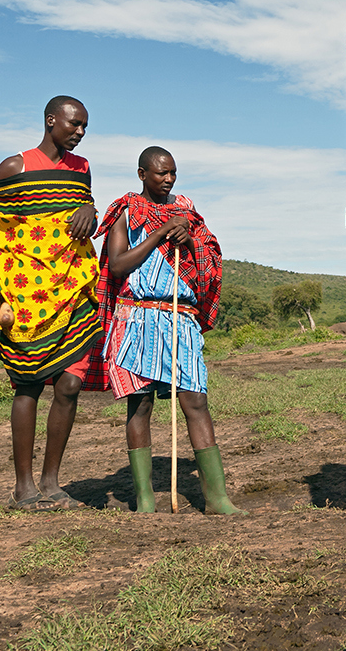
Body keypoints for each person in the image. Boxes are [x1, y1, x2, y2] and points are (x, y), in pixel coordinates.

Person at [95, 147, 243, 515]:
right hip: (139, 317)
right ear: (142, 174)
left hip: (179, 317)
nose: (168, 179)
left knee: (195, 401)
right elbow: (117, 265)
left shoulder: (188, 214)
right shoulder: (126, 213)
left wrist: (189, 240)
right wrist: (161, 233)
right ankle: (145, 499)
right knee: (140, 403)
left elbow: (210, 260)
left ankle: (216, 497)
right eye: (161, 172)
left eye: (173, 172)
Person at [0, 96, 102, 510]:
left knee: (70, 383)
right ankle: (23, 487)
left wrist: (91, 210)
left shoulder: (81, 169)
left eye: (85, 126)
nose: (80, 132)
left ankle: (52, 482)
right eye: (74, 124)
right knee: (27, 388)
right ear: (51, 121)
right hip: (25, 296)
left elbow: (82, 212)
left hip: (72, 285)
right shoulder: (15, 168)